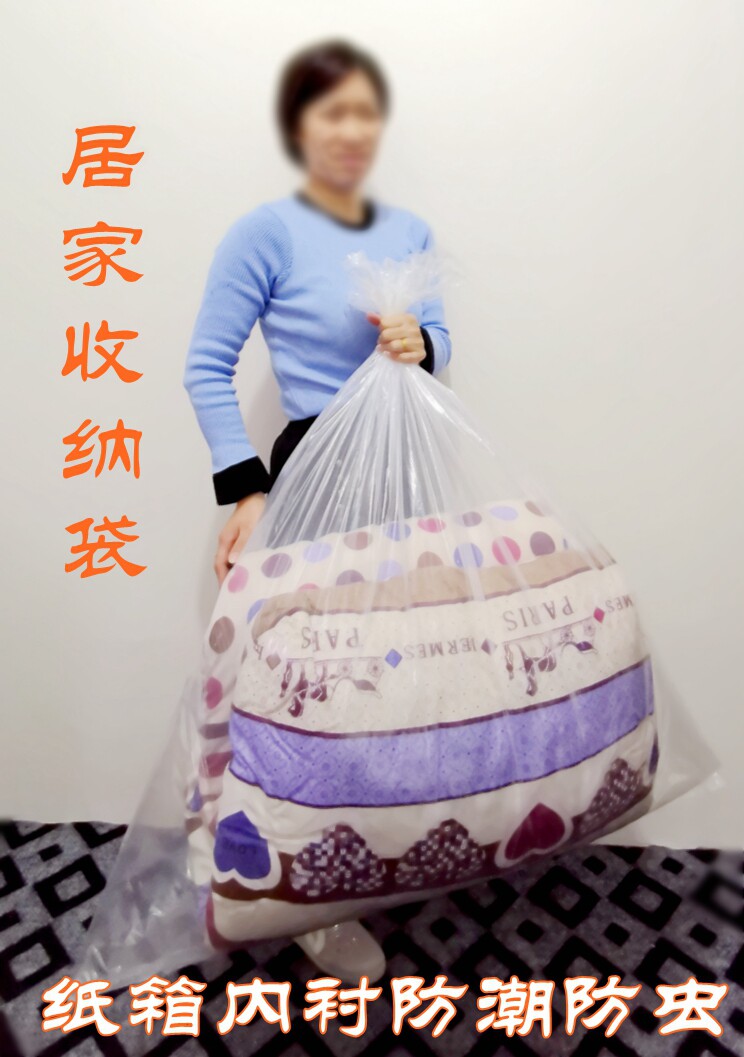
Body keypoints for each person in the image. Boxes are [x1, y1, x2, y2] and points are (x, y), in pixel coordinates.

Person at [182, 37, 452, 984]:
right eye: (331, 111)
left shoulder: (411, 230)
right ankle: (305, 897)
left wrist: (421, 341)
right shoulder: (265, 232)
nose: (351, 129)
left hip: (404, 469)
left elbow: (442, 342)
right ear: (298, 125)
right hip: (315, 477)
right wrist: (247, 488)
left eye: (365, 111)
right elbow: (205, 367)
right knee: (308, 689)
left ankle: (380, 853)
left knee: (399, 673)